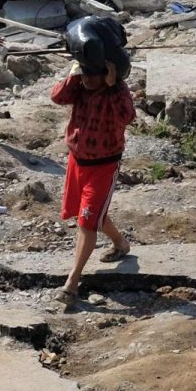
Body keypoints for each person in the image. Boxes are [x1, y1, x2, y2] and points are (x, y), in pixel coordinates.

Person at [51, 57, 135, 308]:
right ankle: (121, 244)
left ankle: (72, 283)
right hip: (78, 161)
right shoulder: (79, 87)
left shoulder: (117, 92)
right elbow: (57, 97)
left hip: (104, 165)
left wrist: (113, 86)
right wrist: (74, 74)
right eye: (85, 73)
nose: (88, 79)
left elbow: (128, 116)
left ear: (108, 74)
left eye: (92, 75)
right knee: (89, 214)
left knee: (86, 222)